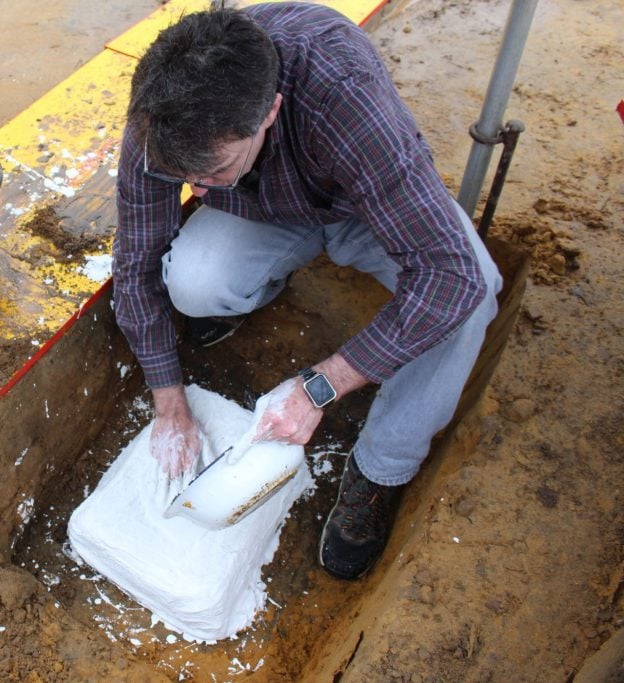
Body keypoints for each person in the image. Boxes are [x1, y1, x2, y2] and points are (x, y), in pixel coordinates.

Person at [112, 2, 502, 580]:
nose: (193, 187)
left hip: (360, 206)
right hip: (262, 207)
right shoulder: (161, 119)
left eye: (212, 171)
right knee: (194, 281)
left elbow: (449, 275)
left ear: (269, 111)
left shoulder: (344, 95)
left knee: (472, 297)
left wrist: (320, 386)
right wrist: (168, 398)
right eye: (182, 177)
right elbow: (137, 260)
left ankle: (380, 469)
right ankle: (263, 281)